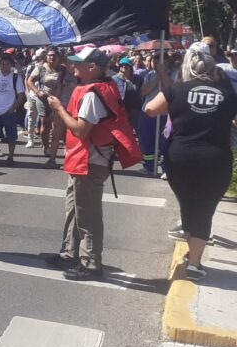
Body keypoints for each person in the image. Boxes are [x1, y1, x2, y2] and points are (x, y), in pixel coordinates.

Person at [46, 46, 140, 280]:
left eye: (78, 63)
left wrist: (58, 108)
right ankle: (70, 253)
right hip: (84, 159)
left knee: (87, 215)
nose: (73, 66)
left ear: (93, 68)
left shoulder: (91, 93)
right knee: (75, 210)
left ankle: (91, 264)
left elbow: (80, 130)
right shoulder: (100, 88)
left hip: (88, 160)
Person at [145, 43, 237, 280]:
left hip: (180, 158)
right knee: (205, 209)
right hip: (215, 159)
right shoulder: (228, 94)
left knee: (188, 204)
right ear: (214, 70)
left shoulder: (177, 89)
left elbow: (150, 109)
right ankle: (194, 263)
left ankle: (191, 252)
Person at [0, 54, 26, 165]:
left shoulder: (15, 77)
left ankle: (10, 157)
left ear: (11, 65)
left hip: (9, 111)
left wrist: (12, 108)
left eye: (7, 64)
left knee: (11, 136)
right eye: (2, 64)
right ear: (0, 65)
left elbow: (21, 96)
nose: (5, 66)